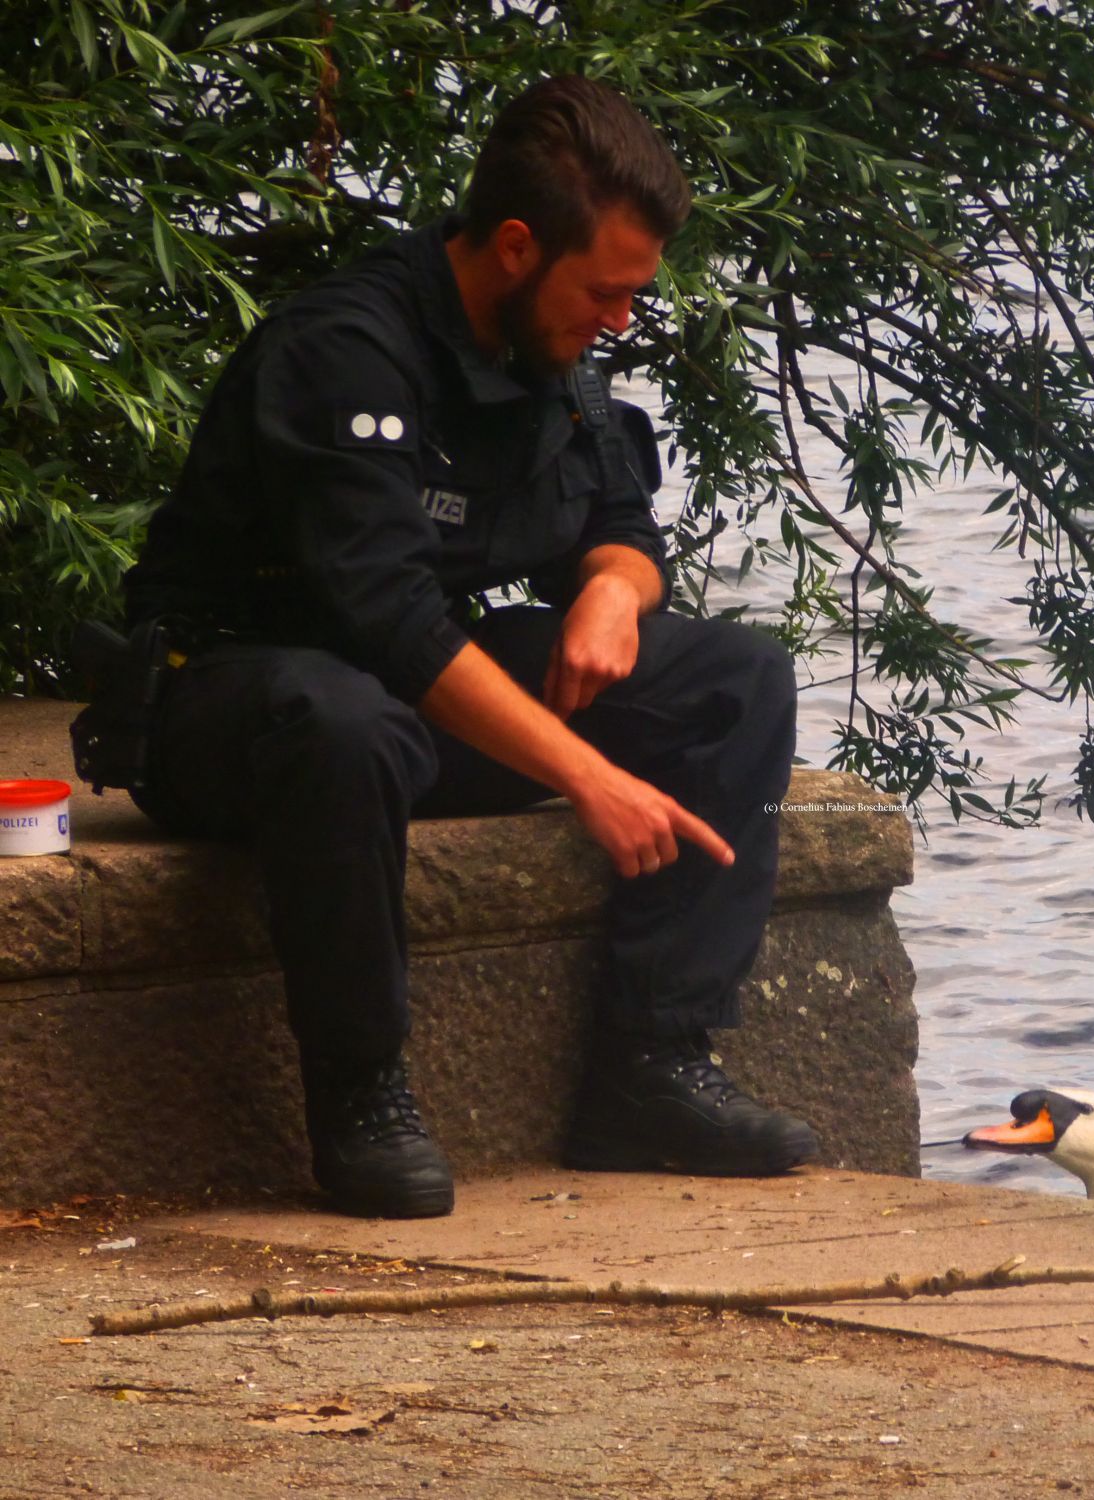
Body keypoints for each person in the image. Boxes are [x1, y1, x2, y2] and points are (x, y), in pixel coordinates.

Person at [107, 75, 818, 1219]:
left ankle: (650, 1068)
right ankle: (362, 1093)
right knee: (345, 718)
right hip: (237, 703)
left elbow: (626, 528)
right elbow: (386, 617)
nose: (620, 321)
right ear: (517, 247)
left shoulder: (552, 351)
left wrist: (610, 597)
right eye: (606, 292)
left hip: (410, 705)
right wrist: (587, 777)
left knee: (734, 680)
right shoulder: (346, 347)